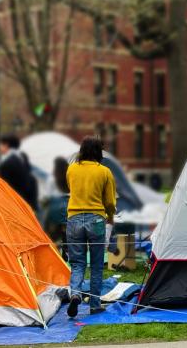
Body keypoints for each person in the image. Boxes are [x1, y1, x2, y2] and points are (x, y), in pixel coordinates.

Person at [66, 136, 116, 317]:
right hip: (96, 219)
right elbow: (109, 202)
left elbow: (71, 190)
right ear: (98, 152)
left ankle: (76, 295)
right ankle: (94, 304)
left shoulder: (71, 169)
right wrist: (110, 217)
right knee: (96, 264)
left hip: (74, 219)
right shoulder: (104, 172)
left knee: (77, 263)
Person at [44, 157, 70, 259]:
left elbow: (47, 195)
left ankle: (57, 256)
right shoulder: (68, 177)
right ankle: (66, 252)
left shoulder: (52, 178)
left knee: (54, 235)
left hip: (54, 207)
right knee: (65, 232)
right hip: (66, 205)